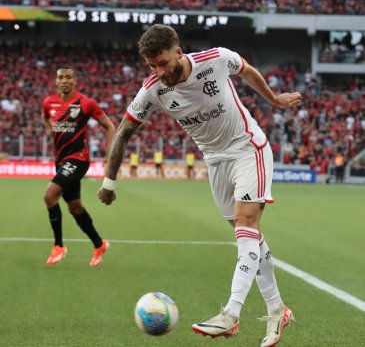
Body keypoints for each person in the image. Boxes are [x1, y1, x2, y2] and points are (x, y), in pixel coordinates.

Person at [97, 25, 301, 346]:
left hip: (249, 148)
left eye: (163, 63)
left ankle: (230, 315)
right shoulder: (152, 89)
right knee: (251, 238)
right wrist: (109, 181)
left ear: (178, 52)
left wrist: (273, 99)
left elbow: (247, 71)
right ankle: (277, 310)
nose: (159, 71)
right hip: (215, 161)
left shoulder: (216, 59)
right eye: (152, 65)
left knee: (245, 228)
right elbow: (123, 131)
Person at [42, 66, 115, 266]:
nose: (64, 80)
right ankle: (99, 244)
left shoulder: (85, 103)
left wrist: (108, 158)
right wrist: (54, 134)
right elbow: (46, 118)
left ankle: (58, 246)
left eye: (68, 77)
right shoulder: (49, 103)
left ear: (74, 81)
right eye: (60, 77)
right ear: (56, 81)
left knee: (49, 196)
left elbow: (110, 126)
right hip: (61, 161)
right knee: (75, 208)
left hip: (78, 160)